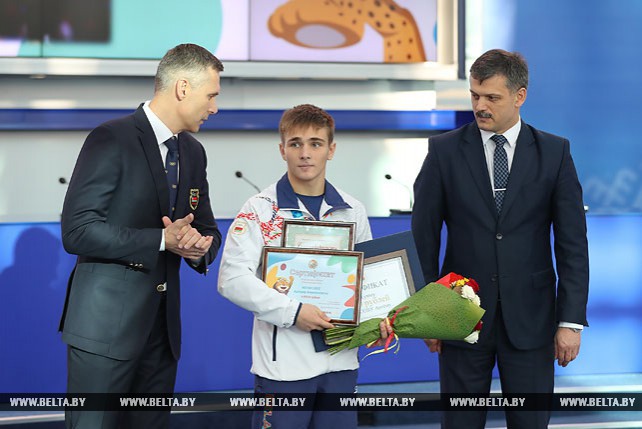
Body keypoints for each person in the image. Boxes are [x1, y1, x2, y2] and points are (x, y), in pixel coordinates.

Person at [411, 49, 589, 429]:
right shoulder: (442, 152)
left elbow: (572, 244)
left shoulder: (555, 153)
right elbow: (422, 237)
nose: (480, 106)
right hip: (458, 318)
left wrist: (570, 321)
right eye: (475, 95)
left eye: (492, 97)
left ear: (519, 96)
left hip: (532, 322)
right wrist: (427, 314)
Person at [59, 43, 224, 429]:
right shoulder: (111, 138)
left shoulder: (194, 153)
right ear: (183, 87)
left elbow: (207, 228)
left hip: (161, 337)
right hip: (104, 332)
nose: (214, 107)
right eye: (211, 95)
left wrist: (200, 248)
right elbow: (78, 230)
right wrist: (161, 241)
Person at [218, 104, 388, 429]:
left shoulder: (353, 210)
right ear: (282, 150)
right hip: (284, 368)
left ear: (331, 150)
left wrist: (377, 320)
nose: (305, 153)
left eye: (315, 143)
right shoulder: (260, 210)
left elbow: (366, 281)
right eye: (295, 143)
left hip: (340, 363)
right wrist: (294, 312)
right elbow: (231, 279)